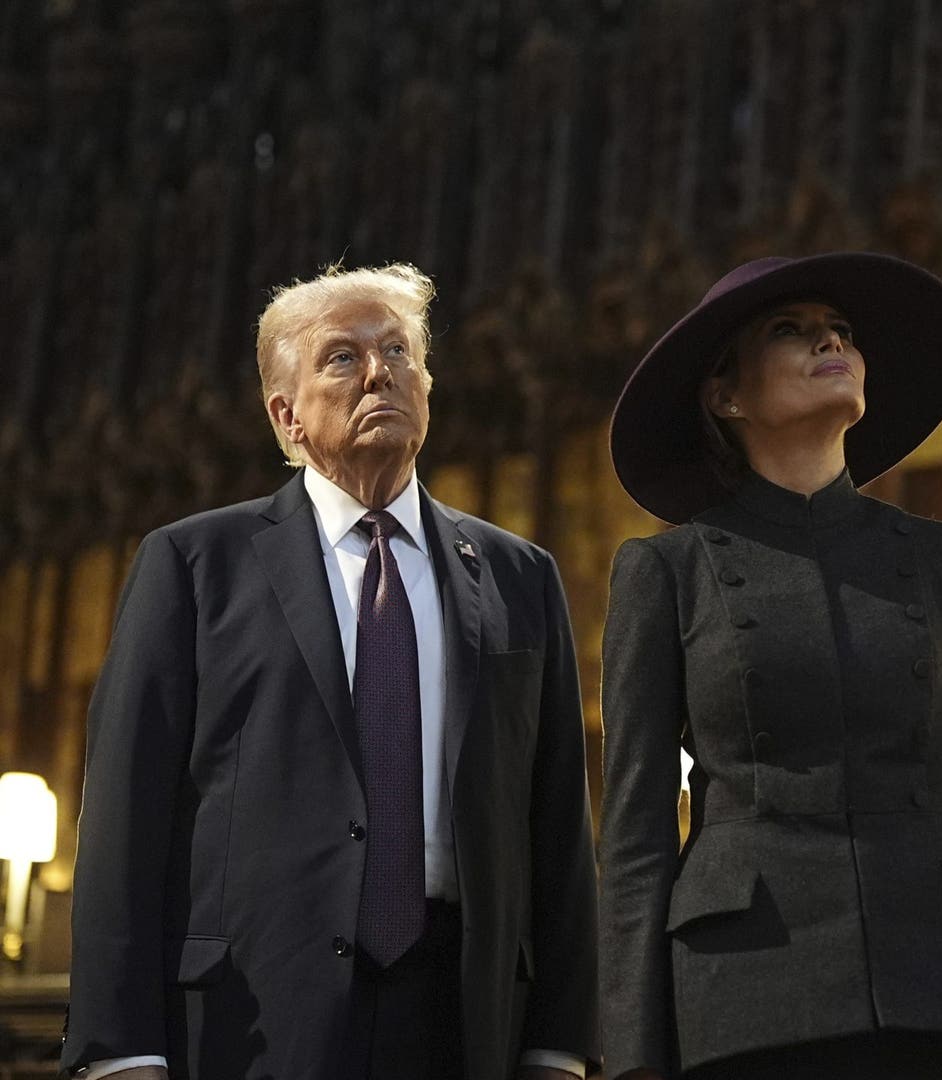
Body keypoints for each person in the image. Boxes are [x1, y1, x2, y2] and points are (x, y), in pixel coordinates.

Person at [63, 264, 600, 1080]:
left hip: (462, 1017)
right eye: (342, 358)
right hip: (252, 1018)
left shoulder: (518, 574)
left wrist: (560, 1045)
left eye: (398, 352)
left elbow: (558, 821)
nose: (380, 371)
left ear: (426, 387)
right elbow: (123, 816)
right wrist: (120, 1050)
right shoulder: (194, 565)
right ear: (286, 418)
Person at [598, 253, 942, 1080]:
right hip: (748, 989)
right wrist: (637, 1054)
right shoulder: (669, 571)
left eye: (843, 332)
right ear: (727, 395)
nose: (831, 342)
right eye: (791, 331)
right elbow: (635, 830)